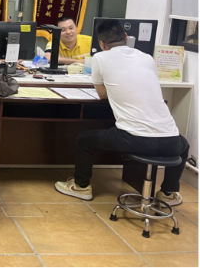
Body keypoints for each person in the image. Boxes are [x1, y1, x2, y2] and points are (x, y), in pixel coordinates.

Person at [55, 19, 189, 204]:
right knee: (185, 145)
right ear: (126, 37)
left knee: (84, 140)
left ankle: (81, 186)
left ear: (102, 44)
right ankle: (167, 192)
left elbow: (102, 95)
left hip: (134, 140)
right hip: (171, 141)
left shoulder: (100, 58)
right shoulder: (147, 58)